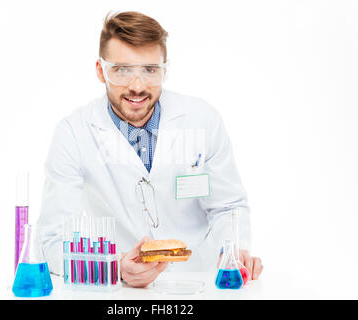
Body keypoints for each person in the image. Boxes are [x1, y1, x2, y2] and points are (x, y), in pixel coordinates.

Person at [37, 11, 263, 288]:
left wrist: (233, 252)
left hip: (202, 283)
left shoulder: (203, 119)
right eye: (121, 70)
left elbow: (229, 207)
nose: (137, 86)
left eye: (150, 70)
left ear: (164, 70)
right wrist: (113, 268)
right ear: (100, 71)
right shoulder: (73, 132)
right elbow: (51, 240)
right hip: (120, 292)